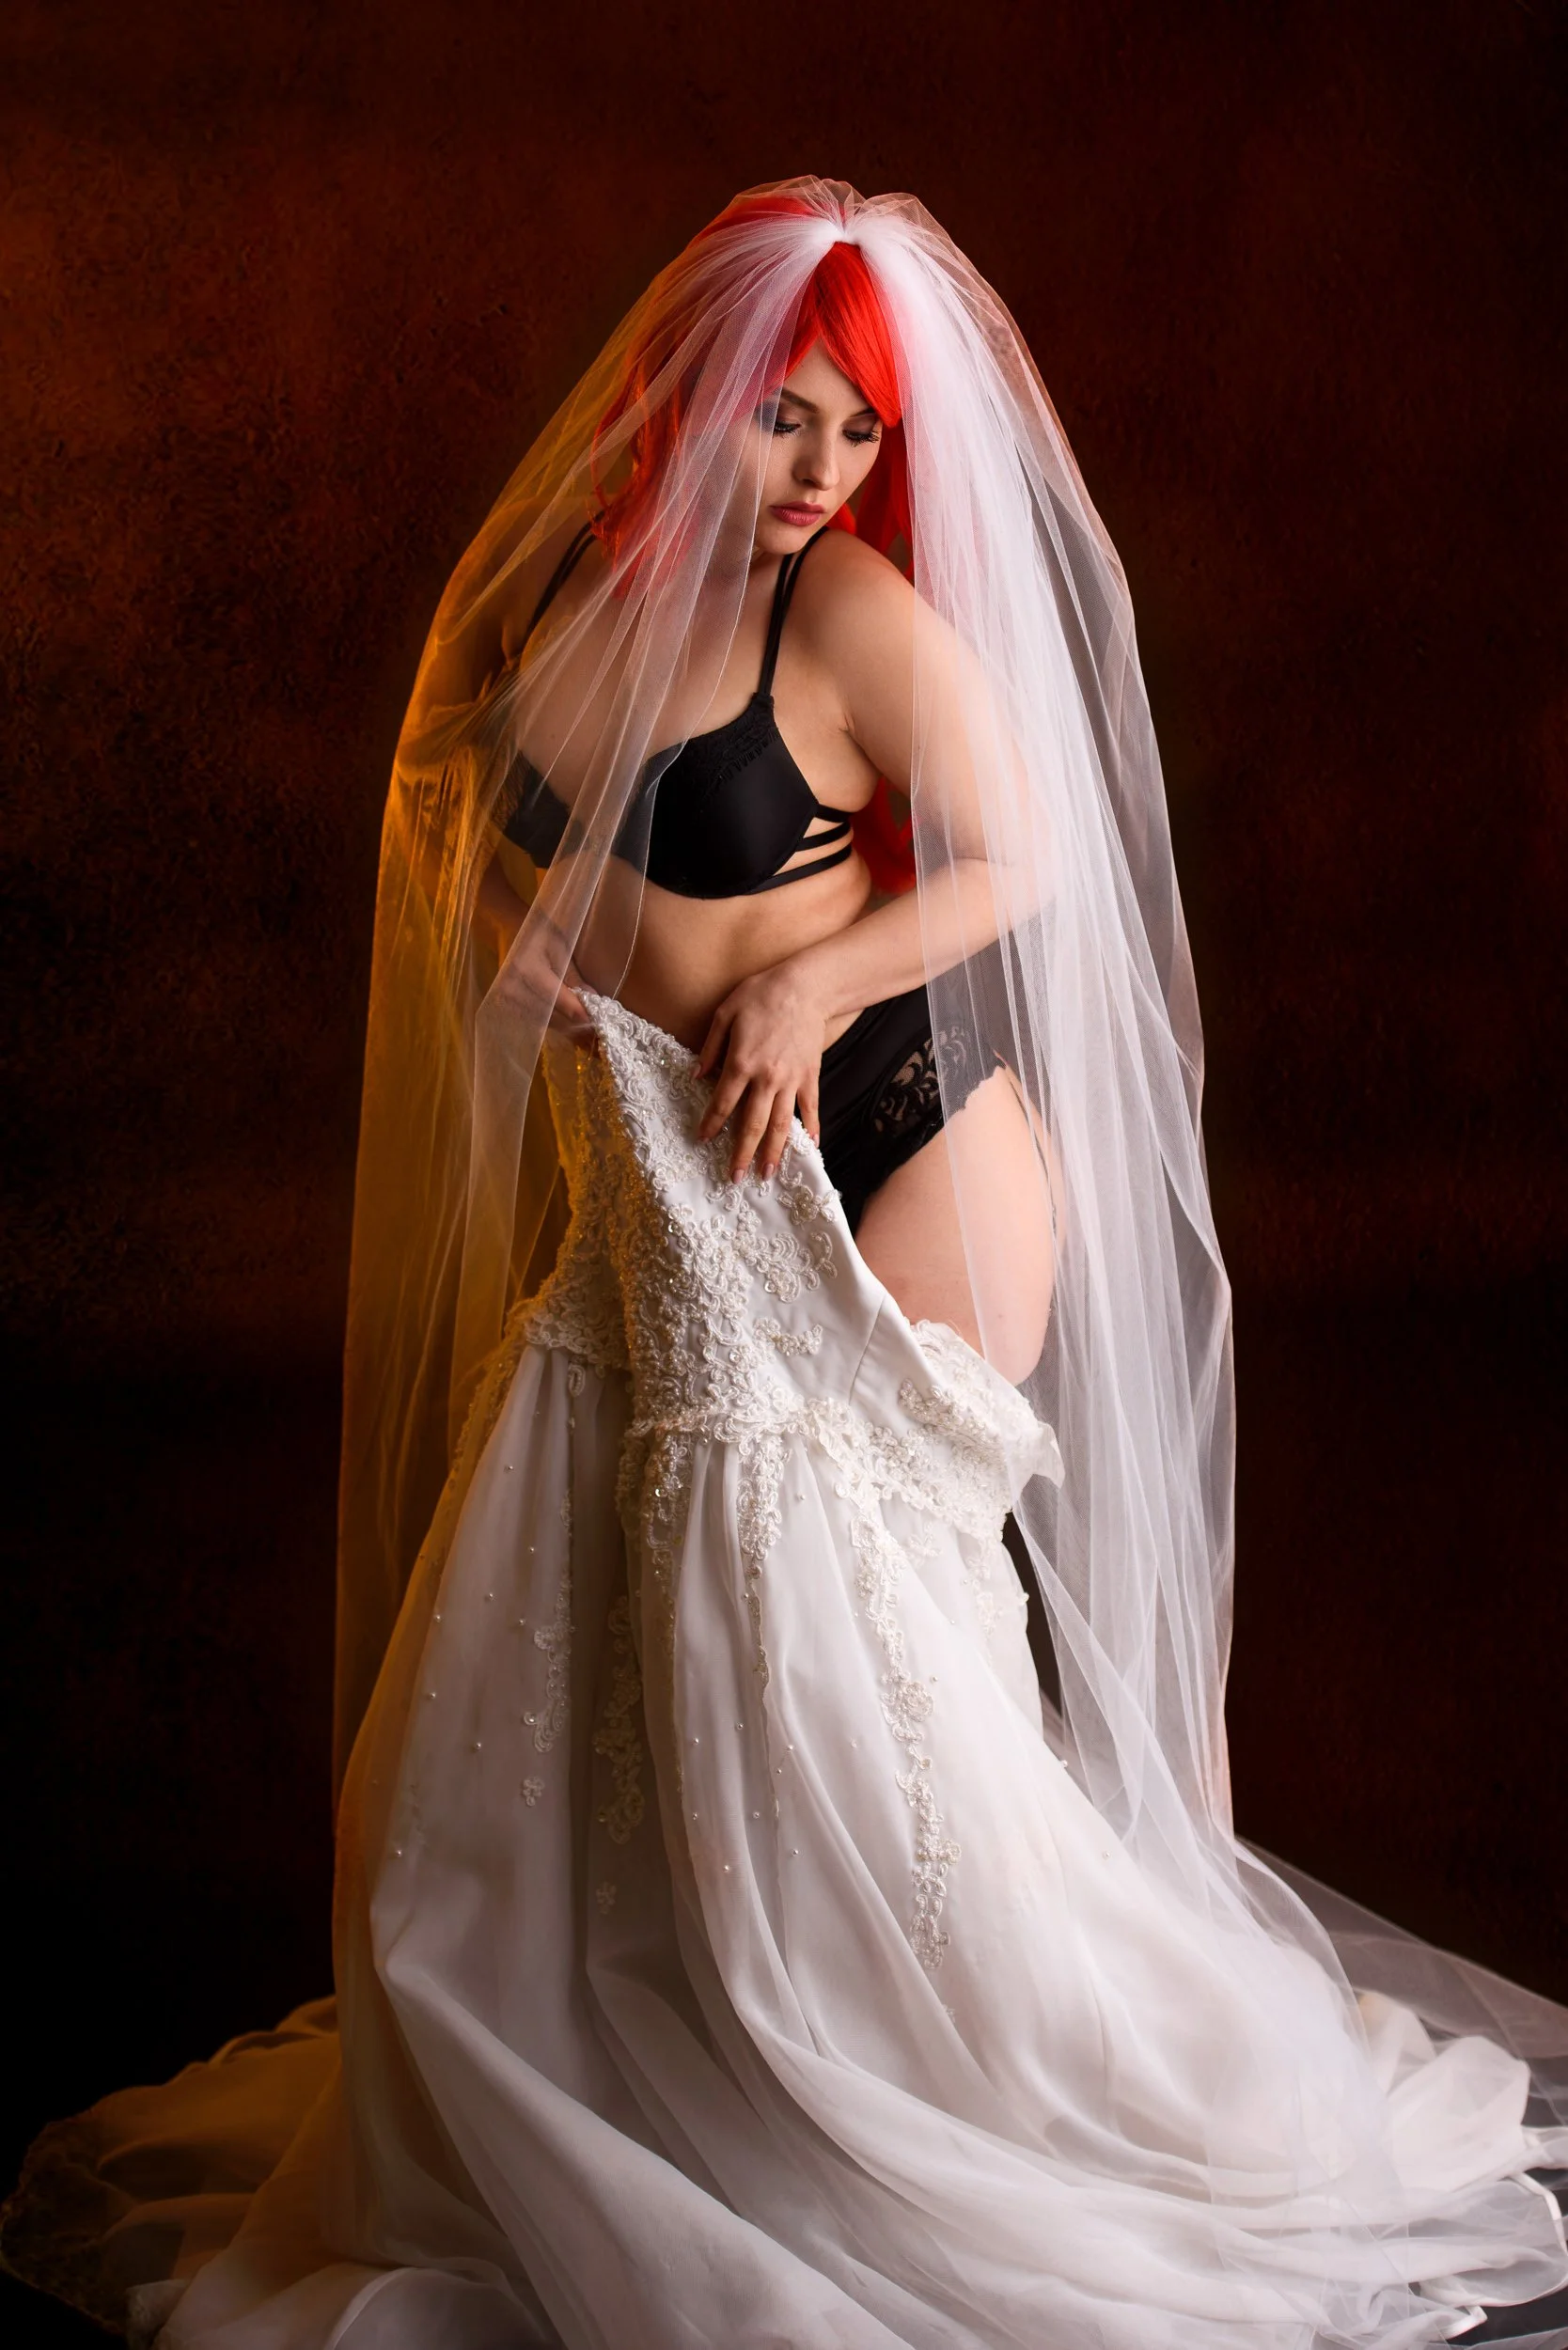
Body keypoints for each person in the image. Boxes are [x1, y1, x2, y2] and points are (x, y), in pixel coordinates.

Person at [6, 176, 1567, 2350]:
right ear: (686, 405)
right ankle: (679, 2054)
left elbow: (1033, 853)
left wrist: (818, 981)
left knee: (840, 1615)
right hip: (678, 1177)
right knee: (642, 1611)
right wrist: (527, 955)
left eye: (855, 434)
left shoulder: (841, 614)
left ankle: (905, 2064)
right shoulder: (568, 602)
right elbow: (464, 800)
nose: (822, 471)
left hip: (908, 1139)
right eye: (785, 423)